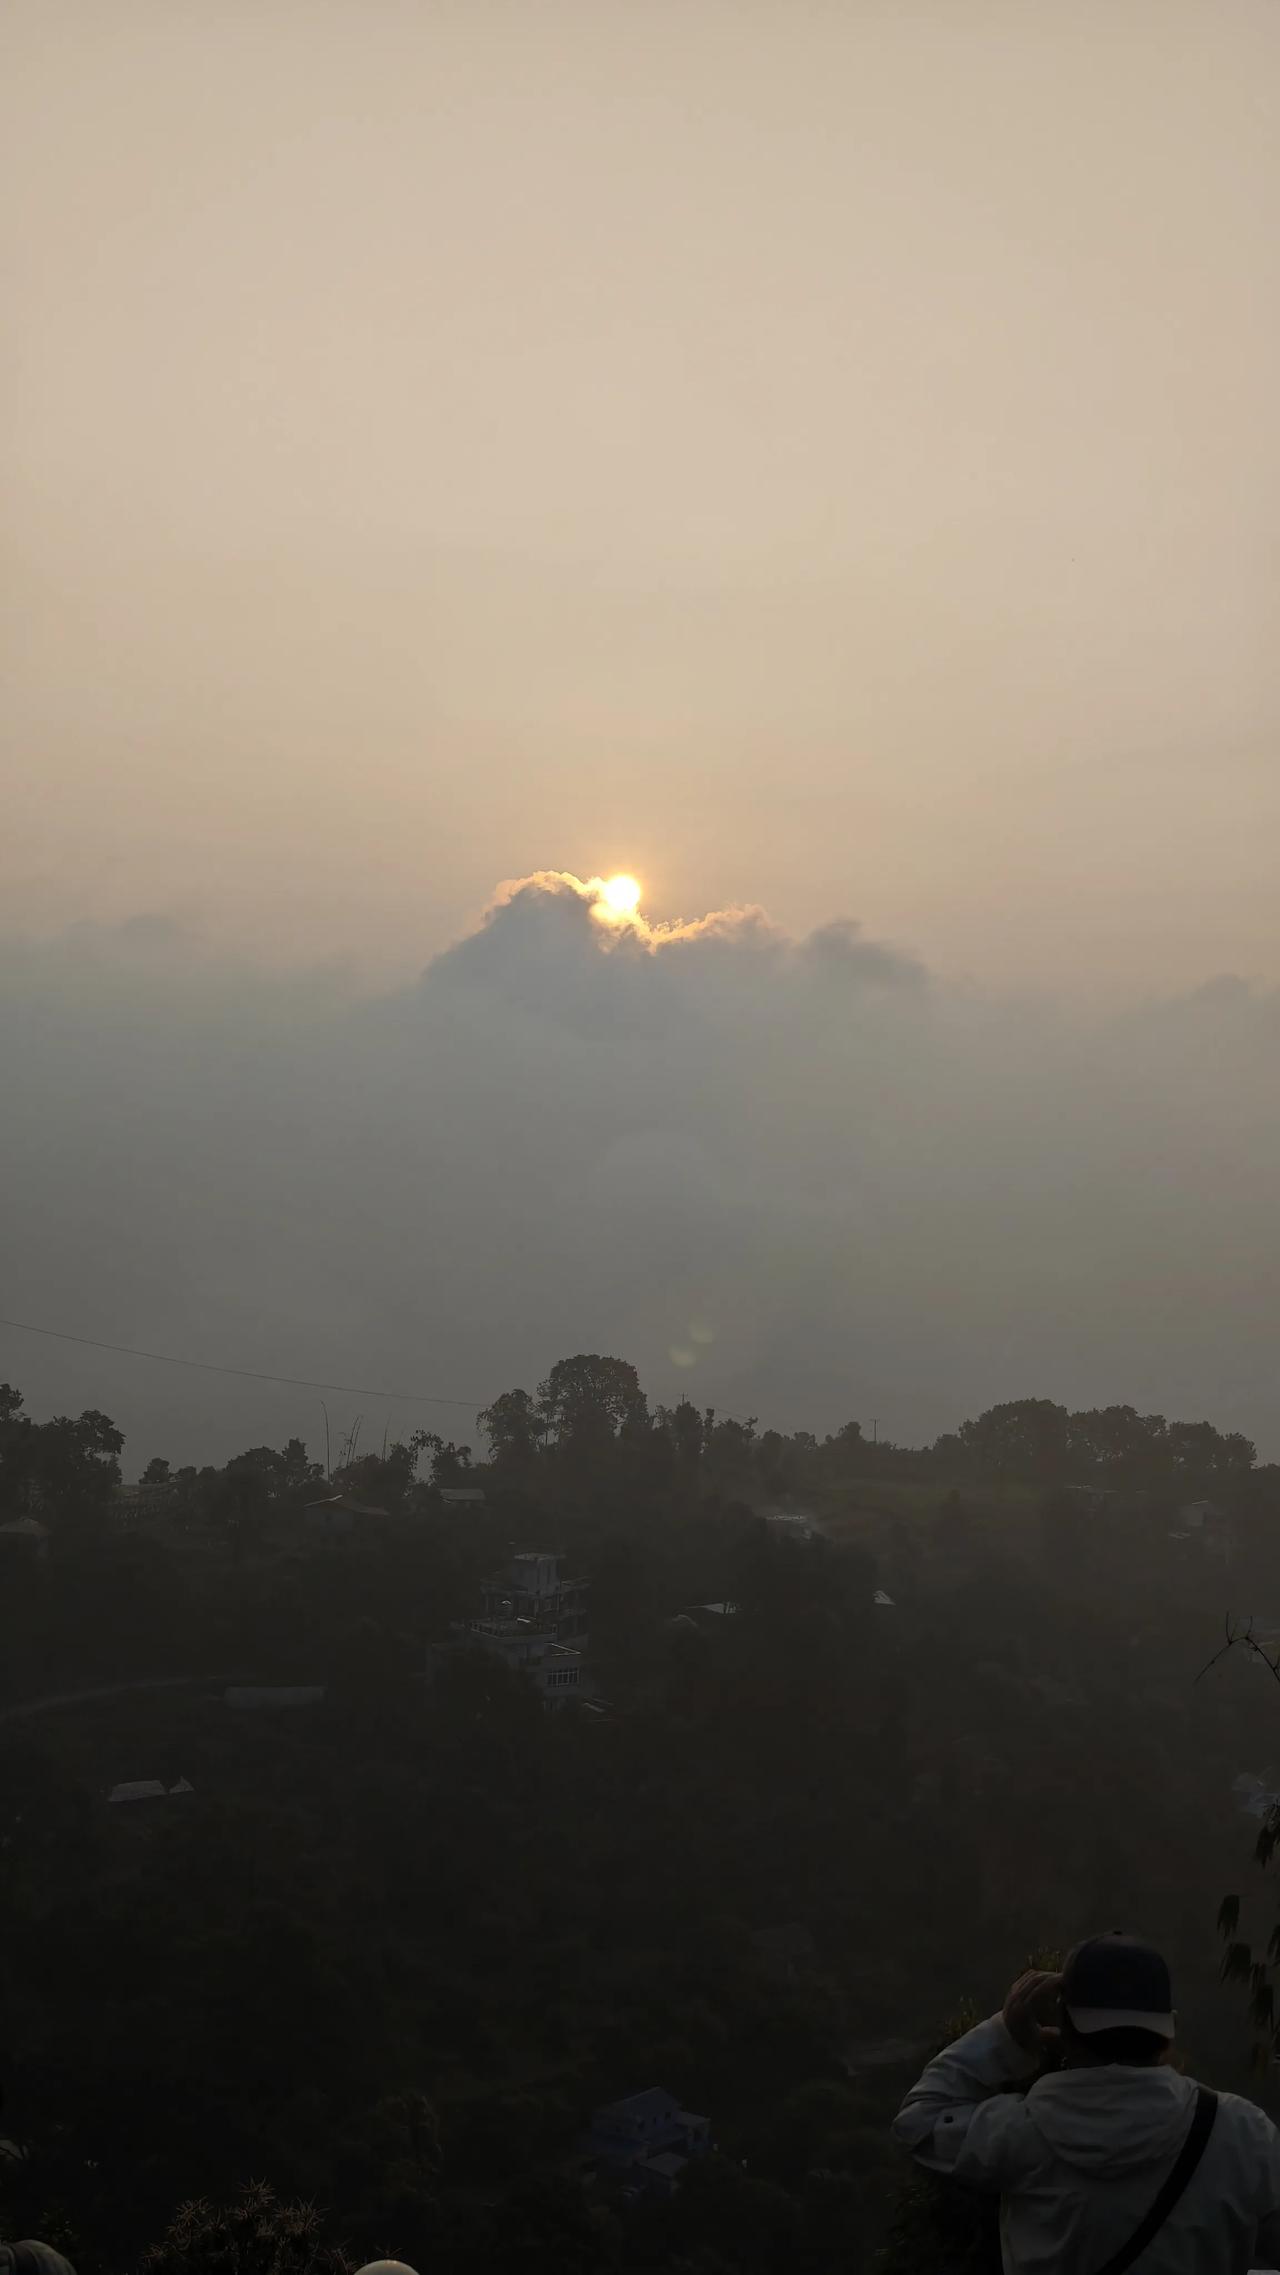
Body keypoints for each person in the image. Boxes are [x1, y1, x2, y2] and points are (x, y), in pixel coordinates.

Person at [893, 1931, 1280, 2274]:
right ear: (1168, 2029)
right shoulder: (1242, 2134)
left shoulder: (1017, 2134)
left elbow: (919, 2119)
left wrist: (1004, 2036)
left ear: (1063, 2028)